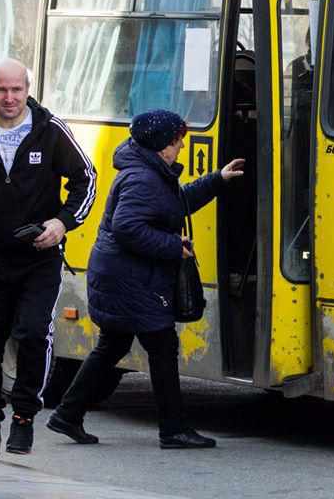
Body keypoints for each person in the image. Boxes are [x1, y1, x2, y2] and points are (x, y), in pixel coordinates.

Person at [46, 110, 244, 449]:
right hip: (130, 279)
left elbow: (175, 204)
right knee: (161, 347)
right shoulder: (143, 178)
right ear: (161, 145)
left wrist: (217, 180)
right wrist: (172, 245)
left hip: (124, 275)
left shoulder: (150, 172)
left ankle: (67, 414)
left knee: (114, 345)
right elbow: (127, 227)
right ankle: (173, 429)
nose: (181, 146)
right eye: (176, 140)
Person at [0, 58, 97, 457]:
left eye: (16, 90)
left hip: (38, 257)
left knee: (31, 333)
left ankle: (25, 417)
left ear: (28, 90)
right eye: (0, 90)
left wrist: (63, 223)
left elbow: (86, 180)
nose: (9, 98)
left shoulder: (50, 131)